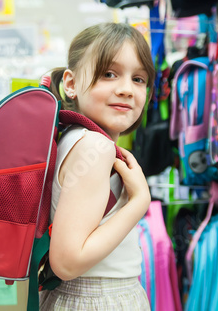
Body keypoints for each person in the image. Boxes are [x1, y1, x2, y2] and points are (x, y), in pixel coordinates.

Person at [39, 22, 155, 310]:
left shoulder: (73, 137)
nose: (127, 89)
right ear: (71, 83)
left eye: (139, 79)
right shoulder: (95, 147)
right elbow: (67, 261)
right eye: (109, 74)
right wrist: (139, 202)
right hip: (98, 299)